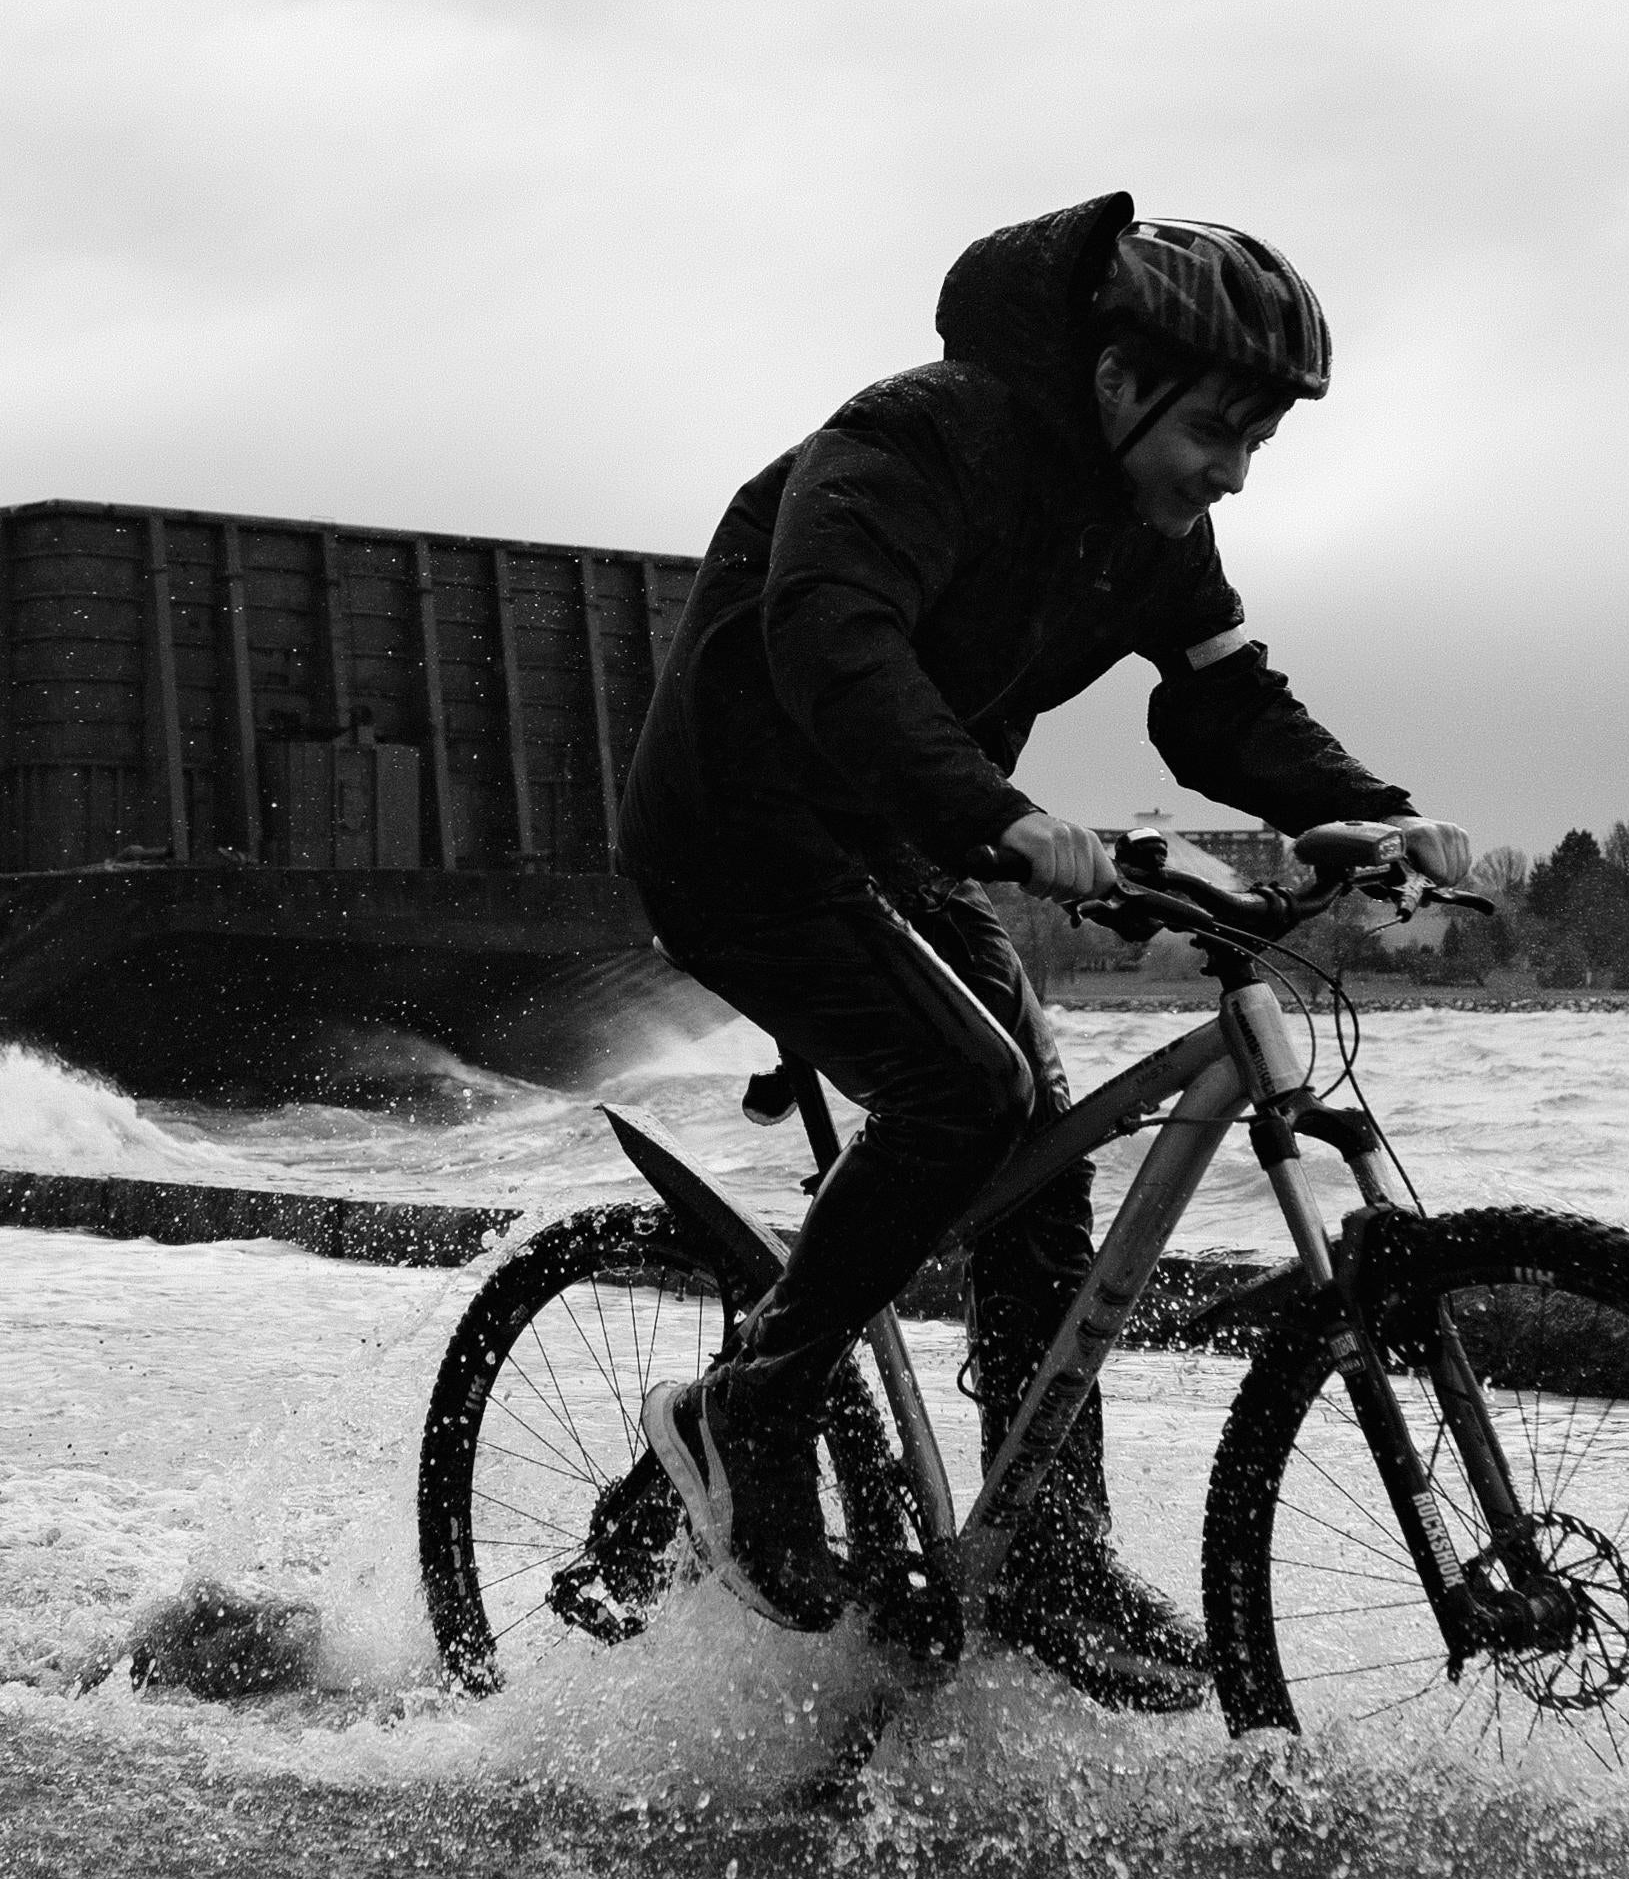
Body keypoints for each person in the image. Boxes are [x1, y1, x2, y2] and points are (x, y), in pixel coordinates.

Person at [601, 191, 1470, 1707]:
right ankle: (748, 1408)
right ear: (1122, 378)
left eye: (1259, 446)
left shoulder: (1152, 528)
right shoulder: (917, 439)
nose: (1232, 474)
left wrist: (1362, 812)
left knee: (1038, 1140)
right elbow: (834, 644)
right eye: (1219, 430)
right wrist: (1003, 816)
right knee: (964, 1093)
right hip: (737, 829)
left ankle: (1048, 1554)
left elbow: (1217, 698)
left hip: (899, 837)